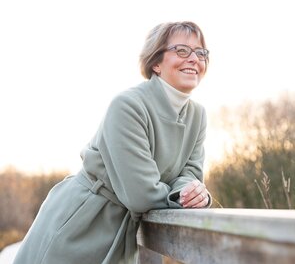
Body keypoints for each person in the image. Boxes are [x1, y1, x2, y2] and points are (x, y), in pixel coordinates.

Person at [13, 21, 211, 264]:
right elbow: (142, 194)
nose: (194, 58)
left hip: (123, 234)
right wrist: (183, 197)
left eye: (201, 53)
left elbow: (191, 173)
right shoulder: (128, 106)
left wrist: (193, 193)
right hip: (82, 222)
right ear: (156, 63)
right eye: (182, 50)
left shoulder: (198, 115)